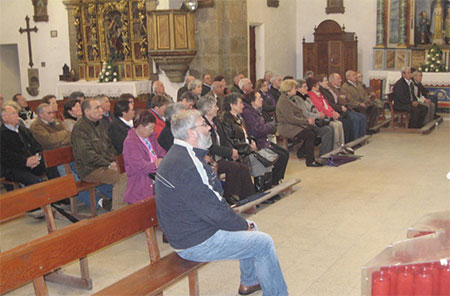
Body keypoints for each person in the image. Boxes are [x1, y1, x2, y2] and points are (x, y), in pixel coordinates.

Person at [155, 109, 288, 296]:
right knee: (263, 243)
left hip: (188, 231)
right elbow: (213, 210)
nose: (209, 128)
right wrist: (240, 225)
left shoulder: (180, 155)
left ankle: (249, 282)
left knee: (252, 226)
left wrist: (240, 223)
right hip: (194, 241)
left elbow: (209, 201)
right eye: (203, 124)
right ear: (191, 133)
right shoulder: (187, 164)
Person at [197, 96, 256, 204]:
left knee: (243, 168)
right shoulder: (202, 124)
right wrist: (229, 152)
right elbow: (210, 146)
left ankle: (249, 199)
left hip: (221, 155)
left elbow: (224, 139)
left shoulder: (216, 121)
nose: (217, 108)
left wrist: (232, 151)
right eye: (215, 106)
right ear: (208, 109)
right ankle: (228, 196)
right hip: (211, 157)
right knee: (234, 167)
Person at [71, 98, 127, 210]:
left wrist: (115, 161)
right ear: (87, 112)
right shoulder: (80, 129)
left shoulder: (99, 124)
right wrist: (108, 164)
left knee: (132, 169)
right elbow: (87, 155)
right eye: (97, 108)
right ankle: (119, 212)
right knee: (122, 178)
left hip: (103, 165)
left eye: (100, 107)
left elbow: (109, 146)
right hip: (89, 169)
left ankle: (132, 204)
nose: (101, 110)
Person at [241, 91, 289, 188]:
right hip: (258, 143)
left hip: (264, 140)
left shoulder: (256, 110)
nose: (262, 99)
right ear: (252, 101)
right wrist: (271, 126)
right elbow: (257, 131)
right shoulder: (248, 113)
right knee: (280, 156)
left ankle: (276, 181)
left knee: (285, 153)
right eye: (259, 98)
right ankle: (272, 183)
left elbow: (263, 126)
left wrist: (268, 126)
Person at [276, 80, 323, 167]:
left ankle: (301, 152)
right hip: (287, 127)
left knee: (314, 131)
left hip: (293, 124)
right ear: (289, 89)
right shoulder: (283, 101)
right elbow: (290, 118)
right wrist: (306, 121)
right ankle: (310, 160)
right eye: (294, 88)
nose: (296, 89)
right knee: (309, 134)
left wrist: (308, 119)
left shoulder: (291, 98)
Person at [122, 110, 165, 204]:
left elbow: (162, 152)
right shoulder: (130, 142)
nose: (153, 130)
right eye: (150, 128)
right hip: (141, 181)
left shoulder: (150, 137)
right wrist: (156, 165)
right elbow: (140, 166)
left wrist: (161, 159)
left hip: (155, 176)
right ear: (141, 127)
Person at [295, 79, 334, 157]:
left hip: (313, 120)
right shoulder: (298, 99)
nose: (306, 88)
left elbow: (313, 108)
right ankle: (324, 154)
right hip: (305, 123)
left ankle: (303, 152)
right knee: (327, 130)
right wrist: (318, 115)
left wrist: (318, 113)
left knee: (329, 127)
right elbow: (305, 113)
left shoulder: (306, 96)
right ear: (298, 89)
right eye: (304, 87)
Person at [308, 76, 347, 148]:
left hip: (329, 114)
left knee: (339, 124)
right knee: (335, 126)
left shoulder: (319, 93)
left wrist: (334, 112)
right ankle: (335, 148)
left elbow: (327, 105)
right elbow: (320, 108)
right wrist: (332, 115)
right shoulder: (311, 95)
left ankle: (341, 146)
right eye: (316, 86)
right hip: (323, 118)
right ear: (312, 87)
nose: (318, 87)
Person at [328, 73, 367, 139]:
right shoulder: (331, 89)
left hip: (347, 107)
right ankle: (354, 140)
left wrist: (344, 97)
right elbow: (338, 101)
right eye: (338, 79)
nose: (340, 80)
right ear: (332, 80)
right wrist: (342, 99)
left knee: (362, 117)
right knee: (355, 119)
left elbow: (348, 98)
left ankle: (361, 138)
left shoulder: (340, 88)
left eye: (340, 78)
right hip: (340, 110)